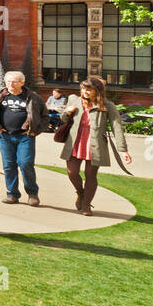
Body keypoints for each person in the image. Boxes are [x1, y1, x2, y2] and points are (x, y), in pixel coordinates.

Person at [59, 75, 131, 215]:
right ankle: (81, 193)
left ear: (97, 91)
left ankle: (86, 205)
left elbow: (117, 127)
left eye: (88, 89)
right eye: (83, 89)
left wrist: (123, 150)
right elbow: (64, 119)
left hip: (95, 144)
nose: (84, 92)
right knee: (72, 172)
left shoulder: (107, 105)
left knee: (90, 175)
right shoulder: (74, 100)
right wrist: (67, 112)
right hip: (75, 141)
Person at [0, 70, 46, 207]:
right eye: (8, 81)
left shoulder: (33, 97)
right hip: (4, 136)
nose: (11, 84)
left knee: (25, 164)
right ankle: (12, 194)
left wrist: (36, 131)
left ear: (22, 83)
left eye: (14, 81)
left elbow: (45, 116)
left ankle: (32, 194)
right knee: (8, 165)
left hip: (25, 137)